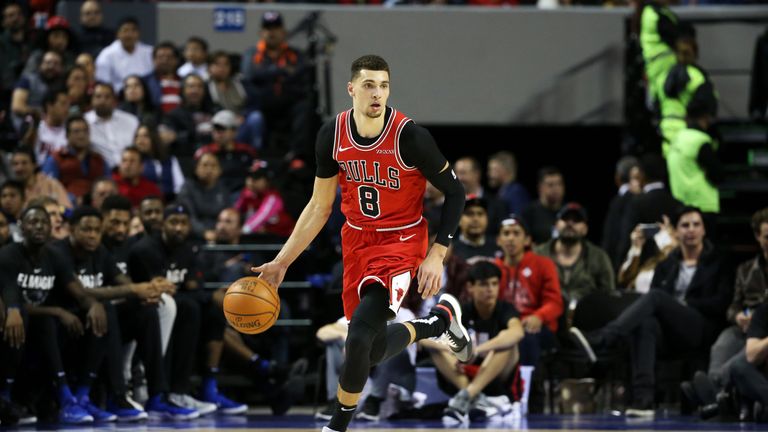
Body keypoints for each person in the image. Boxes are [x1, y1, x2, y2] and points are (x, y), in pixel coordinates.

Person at [251, 55, 470, 432]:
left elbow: (455, 191)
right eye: (369, 85)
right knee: (368, 348)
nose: (378, 93)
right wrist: (282, 261)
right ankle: (438, 323)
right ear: (351, 89)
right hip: (356, 241)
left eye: (384, 85)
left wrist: (437, 252)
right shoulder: (331, 135)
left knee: (357, 339)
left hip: (402, 241)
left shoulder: (410, 137)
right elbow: (319, 207)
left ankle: (337, 426)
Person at [570, 206, 732, 417]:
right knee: (644, 324)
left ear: (704, 230)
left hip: (700, 327)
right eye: (685, 225)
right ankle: (643, 400)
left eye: (696, 225)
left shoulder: (718, 261)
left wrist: (686, 304)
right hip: (670, 331)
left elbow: (721, 303)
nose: (691, 230)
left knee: (656, 296)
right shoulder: (667, 264)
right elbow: (654, 305)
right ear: (676, 231)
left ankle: (604, 338)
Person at [128, 204, 245, 415]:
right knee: (187, 307)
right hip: (146, 309)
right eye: (173, 222)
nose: (179, 228)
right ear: (162, 224)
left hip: (178, 304)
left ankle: (199, 388)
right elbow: (156, 288)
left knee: (212, 309)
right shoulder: (145, 249)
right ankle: (163, 392)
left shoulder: (188, 249)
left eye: (183, 223)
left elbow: (193, 286)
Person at [0, 206, 108, 424]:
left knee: (101, 314)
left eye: (44, 222)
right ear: (21, 227)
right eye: (32, 222)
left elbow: (77, 290)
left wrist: (93, 304)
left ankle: (74, 397)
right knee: (30, 317)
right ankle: (6, 395)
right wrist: (15, 310)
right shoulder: (8, 254)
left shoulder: (55, 256)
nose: (39, 226)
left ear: (51, 227)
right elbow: (11, 294)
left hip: (39, 329)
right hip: (14, 324)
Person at [422, 261, 524, 425]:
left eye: (494, 284)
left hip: (496, 376)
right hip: (463, 373)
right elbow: (427, 338)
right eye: (484, 284)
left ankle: (467, 396)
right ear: (470, 287)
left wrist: (475, 350)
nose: (490, 289)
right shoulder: (462, 311)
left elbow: (517, 332)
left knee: (508, 342)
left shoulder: (505, 309)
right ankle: (475, 397)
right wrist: (456, 349)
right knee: (436, 348)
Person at [494, 215, 562, 367]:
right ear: (498, 240)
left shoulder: (544, 265)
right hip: (504, 326)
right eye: (506, 233)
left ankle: (527, 387)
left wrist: (539, 316)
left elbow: (555, 302)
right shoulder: (493, 268)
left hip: (535, 326)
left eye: (516, 233)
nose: (511, 238)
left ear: (527, 240)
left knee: (525, 339)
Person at [534, 202, 615, 303]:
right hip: (546, 316)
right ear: (556, 225)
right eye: (565, 219)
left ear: (585, 229)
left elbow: (609, 297)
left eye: (576, 220)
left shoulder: (599, 257)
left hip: (587, 316)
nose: (570, 223)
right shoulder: (538, 255)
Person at [41, 115, 108, 201]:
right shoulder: (56, 159)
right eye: (76, 132)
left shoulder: (99, 160)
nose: (81, 136)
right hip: (65, 207)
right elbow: (48, 188)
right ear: (67, 135)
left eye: (85, 131)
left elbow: (109, 184)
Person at [177, 153, 231, 242]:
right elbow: (188, 216)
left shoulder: (223, 190)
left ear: (220, 170)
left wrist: (220, 232)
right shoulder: (187, 188)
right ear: (196, 169)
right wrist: (203, 232)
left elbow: (227, 214)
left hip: (218, 235)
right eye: (205, 165)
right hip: (192, 236)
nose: (209, 170)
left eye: (213, 166)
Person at [85, 82, 140, 167]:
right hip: (101, 173)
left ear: (114, 101)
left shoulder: (131, 121)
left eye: (107, 97)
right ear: (92, 100)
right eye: (98, 96)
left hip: (131, 169)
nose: (102, 101)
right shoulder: (84, 123)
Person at [234, 161, 294, 238]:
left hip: (283, 239)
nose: (251, 180)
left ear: (267, 181)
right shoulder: (248, 195)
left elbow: (259, 218)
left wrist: (241, 232)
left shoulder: (273, 198)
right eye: (249, 176)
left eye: (256, 177)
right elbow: (235, 212)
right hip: (263, 239)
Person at [95, 17, 153, 93]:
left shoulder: (149, 52)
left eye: (133, 30)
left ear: (138, 34)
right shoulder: (106, 55)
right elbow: (103, 83)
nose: (129, 35)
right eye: (125, 30)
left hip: (146, 98)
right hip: (117, 98)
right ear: (118, 34)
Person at [522, 166, 565, 245]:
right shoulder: (529, 212)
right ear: (540, 188)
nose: (556, 188)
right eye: (550, 185)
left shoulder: (568, 211)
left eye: (559, 184)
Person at [452, 196, 499, 264]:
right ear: (458, 220)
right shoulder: (450, 250)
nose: (475, 219)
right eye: (469, 213)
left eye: (480, 214)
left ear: (487, 219)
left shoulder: (498, 247)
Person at [32, 88, 70, 163]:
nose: (67, 109)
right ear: (49, 106)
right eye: (63, 104)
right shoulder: (37, 127)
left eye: (68, 105)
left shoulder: (71, 129)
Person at [487, 151, 530, 216]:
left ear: (504, 170)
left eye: (493, 169)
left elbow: (517, 219)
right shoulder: (502, 191)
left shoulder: (516, 192)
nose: (489, 174)